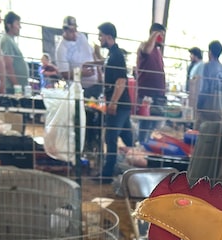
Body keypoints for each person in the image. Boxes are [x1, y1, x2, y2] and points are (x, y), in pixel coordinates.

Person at [97, 21, 132, 183]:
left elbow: (121, 81)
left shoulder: (116, 56)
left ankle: (106, 174)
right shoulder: (113, 55)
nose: (99, 39)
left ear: (108, 36)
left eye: (101, 36)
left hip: (119, 104)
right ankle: (134, 165)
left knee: (110, 138)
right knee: (127, 137)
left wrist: (113, 103)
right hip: (123, 103)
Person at [135, 22, 167, 144]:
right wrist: (155, 35)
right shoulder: (145, 46)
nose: (162, 38)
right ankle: (141, 144)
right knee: (145, 122)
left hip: (158, 94)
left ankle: (145, 144)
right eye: (161, 35)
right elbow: (146, 50)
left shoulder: (158, 51)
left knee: (154, 123)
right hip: (147, 93)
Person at [55, 16, 100, 98]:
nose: (75, 33)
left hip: (96, 84)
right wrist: (81, 73)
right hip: (80, 89)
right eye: (71, 31)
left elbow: (92, 53)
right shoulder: (61, 49)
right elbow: (64, 74)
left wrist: (99, 73)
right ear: (65, 30)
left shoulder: (81, 37)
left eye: (75, 30)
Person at [196, 40, 222, 127]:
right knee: (215, 137)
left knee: (201, 135)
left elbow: (204, 89)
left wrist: (198, 106)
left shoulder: (207, 66)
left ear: (210, 52)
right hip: (219, 111)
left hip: (206, 110)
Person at [0, 12, 27, 94]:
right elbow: (8, 66)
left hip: (17, 88)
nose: (20, 27)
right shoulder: (6, 40)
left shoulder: (11, 40)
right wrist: (17, 86)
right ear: (9, 25)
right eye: (17, 24)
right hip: (12, 89)